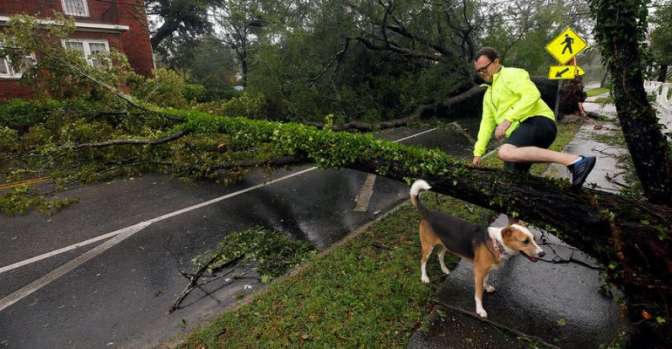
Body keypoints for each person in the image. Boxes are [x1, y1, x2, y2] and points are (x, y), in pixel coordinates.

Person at [471, 47, 596, 188]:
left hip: (538, 122)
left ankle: (576, 161)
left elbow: (532, 95)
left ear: (496, 62)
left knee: (504, 152)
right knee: (513, 177)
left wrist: (507, 120)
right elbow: (486, 123)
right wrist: (478, 152)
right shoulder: (489, 94)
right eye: (478, 70)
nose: (482, 72)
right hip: (521, 132)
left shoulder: (512, 74)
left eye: (484, 68)